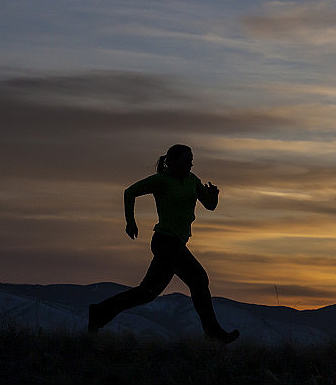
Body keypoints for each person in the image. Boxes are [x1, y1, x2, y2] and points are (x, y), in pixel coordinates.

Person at [88, 144, 239, 343]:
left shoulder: (193, 181)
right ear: (172, 162)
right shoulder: (161, 181)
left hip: (176, 243)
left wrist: (215, 195)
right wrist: (130, 222)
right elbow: (129, 192)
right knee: (199, 279)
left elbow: (210, 206)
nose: (191, 164)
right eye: (187, 160)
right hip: (165, 241)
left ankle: (99, 312)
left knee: (147, 293)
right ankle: (214, 333)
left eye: (192, 160)